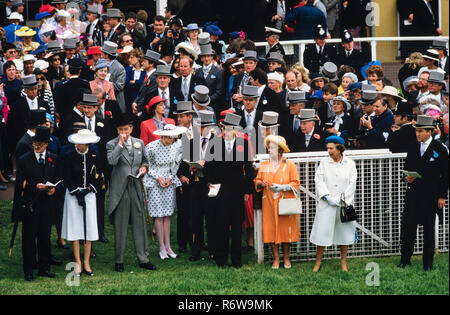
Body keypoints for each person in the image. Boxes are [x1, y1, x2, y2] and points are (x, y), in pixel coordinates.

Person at [203, 113, 254, 268]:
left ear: (236, 130)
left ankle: (237, 261)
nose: (227, 131)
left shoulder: (243, 144)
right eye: (225, 128)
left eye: (231, 128)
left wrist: (247, 190)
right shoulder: (214, 145)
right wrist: (211, 183)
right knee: (221, 226)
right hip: (220, 192)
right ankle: (221, 259)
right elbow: (207, 168)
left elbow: (249, 168)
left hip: (237, 191)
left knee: (237, 227)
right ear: (222, 128)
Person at [107, 113, 156, 272]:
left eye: (126, 129)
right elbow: (112, 161)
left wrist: (144, 168)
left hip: (136, 186)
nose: (124, 133)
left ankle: (143, 258)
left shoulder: (139, 143)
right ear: (117, 130)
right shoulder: (111, 144)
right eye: (121, 130)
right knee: (120, 225)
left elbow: (145, 161)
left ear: (131, 128)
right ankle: (119, 260)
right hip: (121, 189)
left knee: (139, 223)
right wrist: (120, 145)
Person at [399, 115, 448, 271]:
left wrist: (442, 196)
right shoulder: (413, 146)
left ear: (429, 132)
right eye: (416, 131)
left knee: (428, 230)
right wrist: (406, 178)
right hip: (413, 194)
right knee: (408, 228)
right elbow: (406, 167)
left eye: (420, 131)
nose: (417, 134)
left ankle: (428, 263)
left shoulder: (440, 149)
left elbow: (446, 174)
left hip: (430, 195)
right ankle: (405, 259)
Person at [12, 126, 61, 281]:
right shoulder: (24, 159)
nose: (37, 146)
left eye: (40, 143)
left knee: (45, 237)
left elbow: (58, 178)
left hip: (46, 203)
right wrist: (35, 186)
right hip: (30, 203)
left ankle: (44, 267)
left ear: (46, 144)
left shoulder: (53, 157)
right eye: (35, 143)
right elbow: (19, 182)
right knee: (28, 238)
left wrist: (54, 190)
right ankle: (28, 269)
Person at [310, 135, 357, 272]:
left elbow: (352, 183)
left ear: (339, 148)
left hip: (344, 205)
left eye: (331, 148)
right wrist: (327, 197)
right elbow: (319, 180)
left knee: (344, 234)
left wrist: (342, 199)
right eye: (327, 148)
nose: (329, 151)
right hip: (327, 204)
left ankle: (343, 263)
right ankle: (318, 262)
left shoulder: (350, 164)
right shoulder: (324, 162)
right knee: (321, 233)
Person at [254, 135, 300, 269]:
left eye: (272, 147)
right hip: (268, 201)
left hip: (285, 202)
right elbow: (257, 180)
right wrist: (260, 183)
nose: (269, 149)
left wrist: (282, 187)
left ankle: (286, 258)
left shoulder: (289, 164)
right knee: (270, 229)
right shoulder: (264, 164)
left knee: (285, 229)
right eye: (268, 147)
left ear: (280, 150)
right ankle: (276, 258)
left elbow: (296, 183)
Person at [143, 124, 186, 259]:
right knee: (159, 215)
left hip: (169, 179)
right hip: (154, 180)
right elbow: (147, 165)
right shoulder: (151, 147)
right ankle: (161, 247)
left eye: (171, 138)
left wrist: (170, 177)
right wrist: (158, 178)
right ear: (161, 135)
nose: (168, 140)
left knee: (167, 215)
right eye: (166, 137)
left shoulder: (178, 145)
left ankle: (168, 246)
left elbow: (176, 164)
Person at [62, 128, 101, 277]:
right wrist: (76, 192)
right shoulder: (69, 155)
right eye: (77, 143)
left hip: (89, 195)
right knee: (76, 228)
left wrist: (88, 189)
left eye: (81, 143)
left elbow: (98, 175)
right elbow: (66, 176)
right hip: (73, 195)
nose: (78, 145)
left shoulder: (94, 155)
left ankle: (86, 262)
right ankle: (77, 261)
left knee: (89, 228)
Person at [100, 41, 126, 112]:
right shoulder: (100, 64)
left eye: (102, 53)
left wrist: (106, 83)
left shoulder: (119, 68)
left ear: (107, 55)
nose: (101, 54)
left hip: (114, 101)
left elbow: (120, 86)